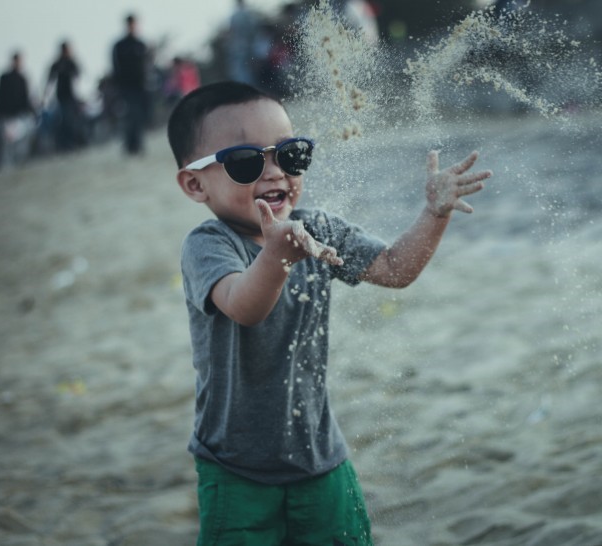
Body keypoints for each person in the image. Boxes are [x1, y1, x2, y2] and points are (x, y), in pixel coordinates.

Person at [166, 81, 491, 545]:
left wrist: (433, 214)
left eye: (290, 155)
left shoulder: (315, 228)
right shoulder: (209, 245)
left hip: (319, 458)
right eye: (247, 162)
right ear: (195, 183)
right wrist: (277, 255)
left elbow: (395, 268)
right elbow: (244, 307)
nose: (276, 173)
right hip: (234, 468)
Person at [112, 13, 148, 155]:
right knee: (130, 115)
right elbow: (116, 67)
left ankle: (137, 144)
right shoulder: (120, 46)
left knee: (139, 116)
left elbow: (145, 65)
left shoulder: (140, 44)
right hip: (126, 87)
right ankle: (130, 145)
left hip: (140, 86)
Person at [0, 51, 36, 167]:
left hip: (19, 117)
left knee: (20, 145)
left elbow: (26, 99)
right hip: (6, 118)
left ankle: (19, 165)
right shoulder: (4, 78)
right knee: (6, 147)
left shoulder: (22, 79)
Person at [45, 41, 84, 151]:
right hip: (61, 97)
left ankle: (72, 143)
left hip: (72, 97)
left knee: (72, 121)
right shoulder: (57, 64)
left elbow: (79, 77)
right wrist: (46, 97)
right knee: (64, 121)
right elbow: (50, 81)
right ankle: (64, 144)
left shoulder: (72, 63)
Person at [225, 0, 259, 85]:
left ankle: (243, 87)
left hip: (238, 47)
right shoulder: (248, 15)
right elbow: (253, 30)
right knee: (248, 69)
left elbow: (231, 32)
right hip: (248, 46)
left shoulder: (234, 16)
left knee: (241, 69)